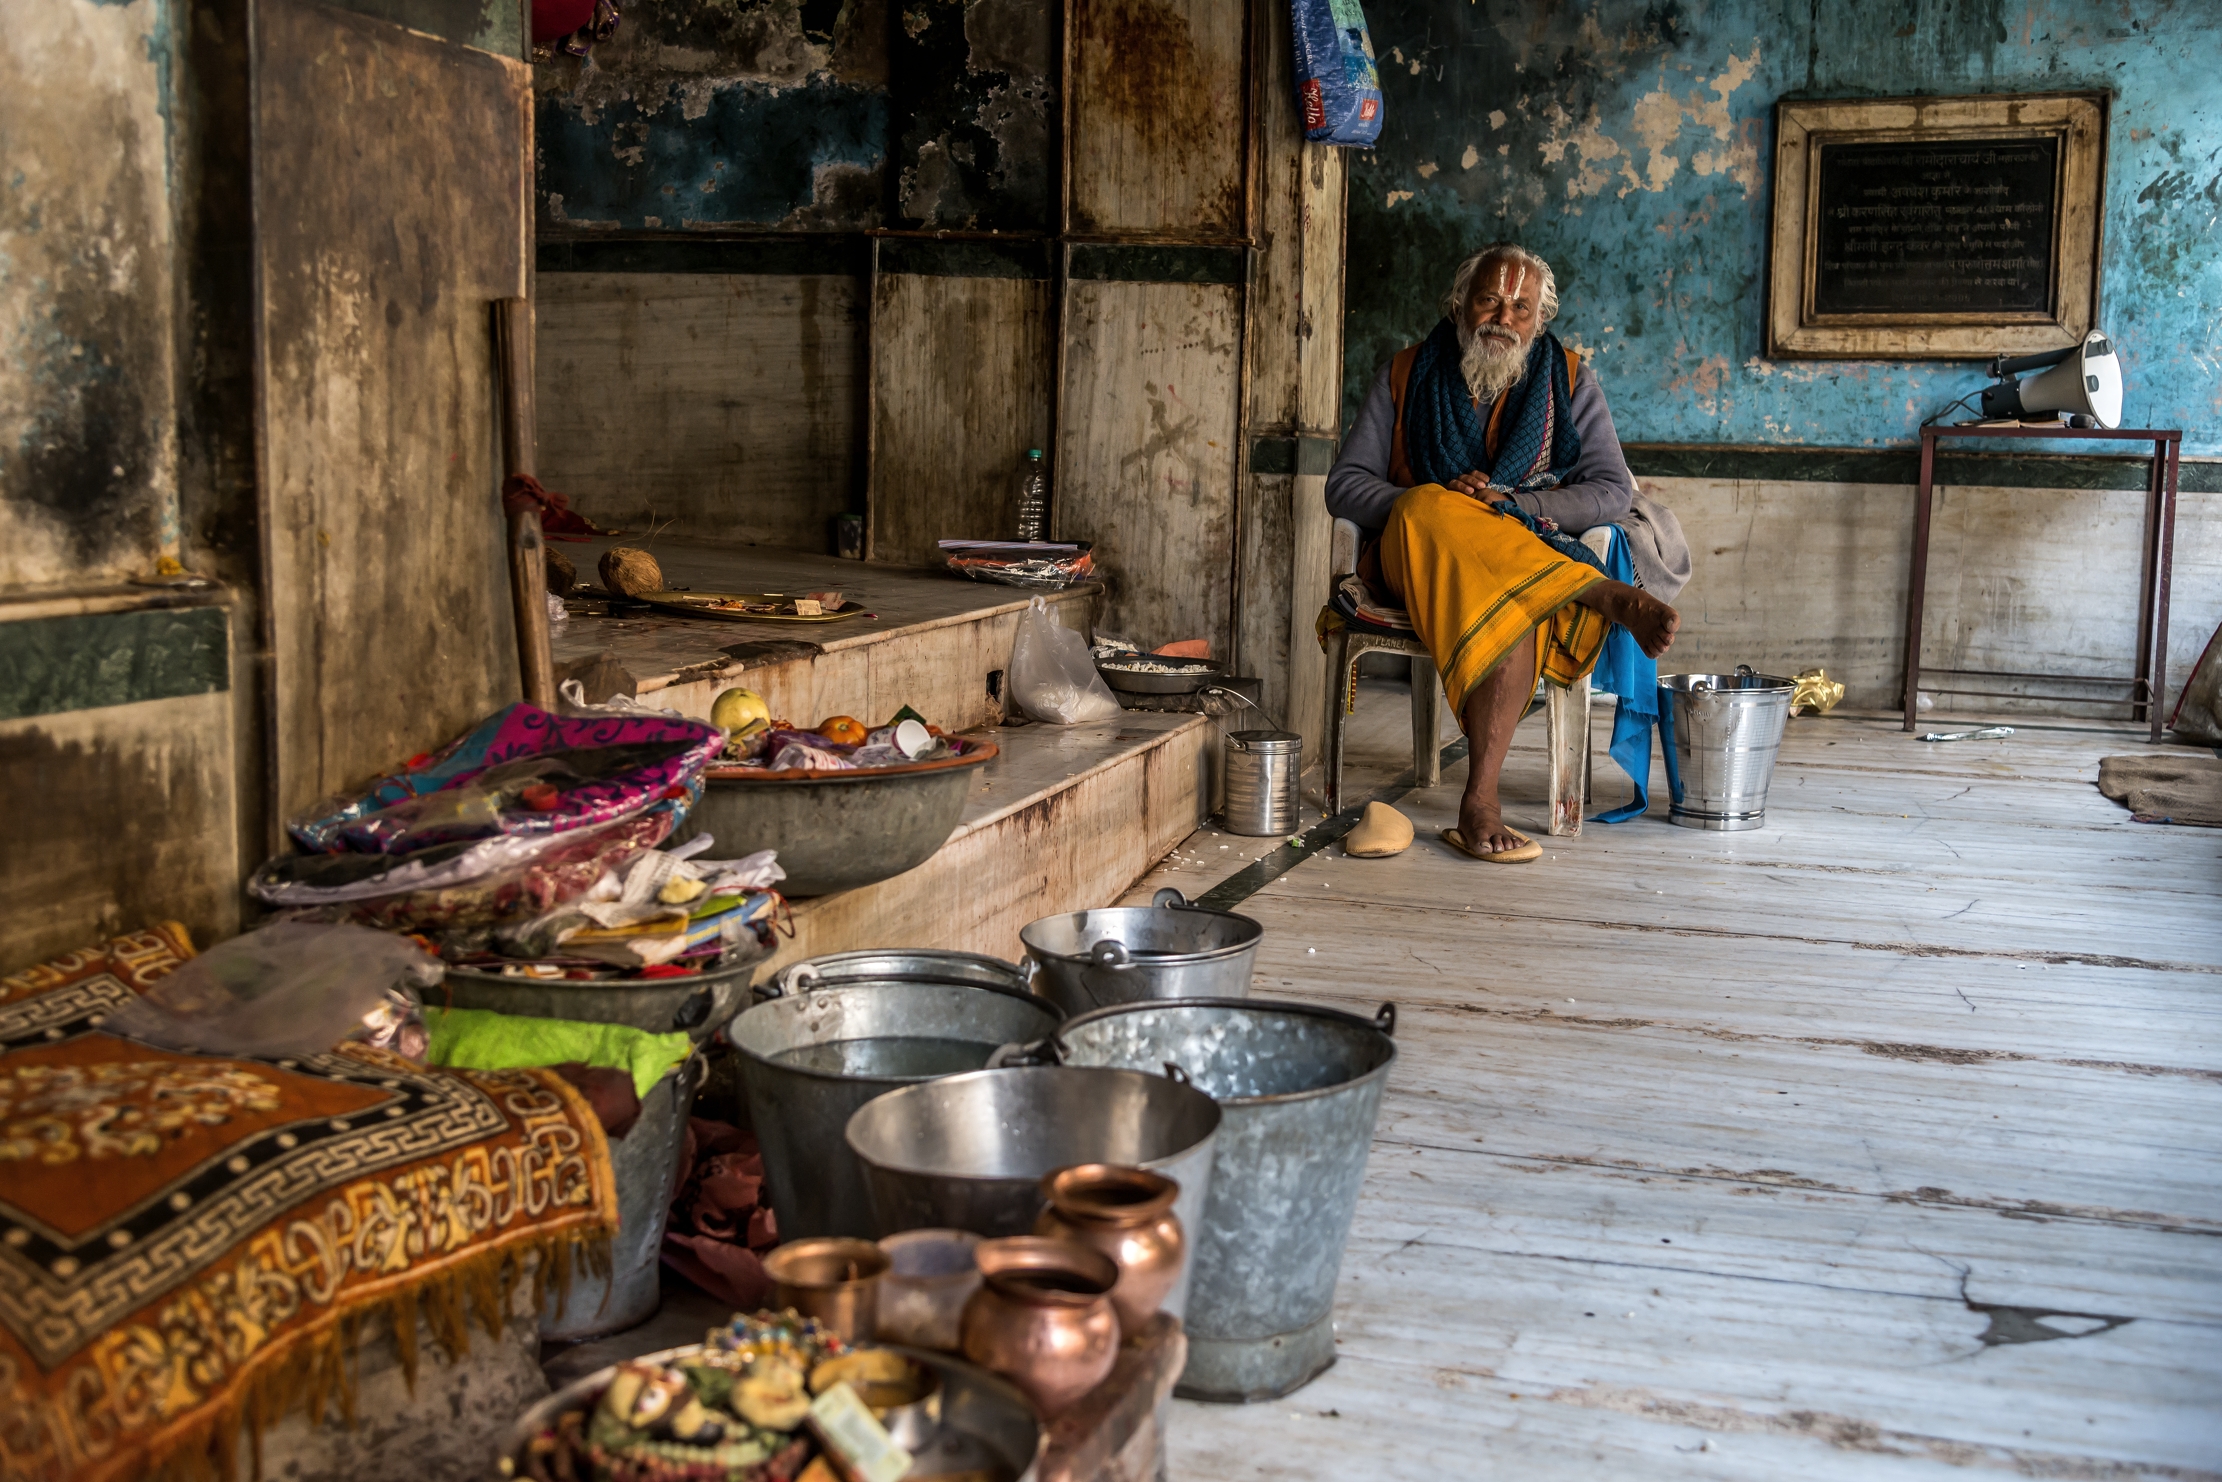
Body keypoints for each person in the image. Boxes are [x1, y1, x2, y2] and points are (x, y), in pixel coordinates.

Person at [1326, 243, 1680, 862]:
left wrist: (1519, 506)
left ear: (1539, 321)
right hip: (1411, 558)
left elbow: (1610, 489)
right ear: (1460, 304)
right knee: (1425, 506)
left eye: (1521, 307)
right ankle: (1590, 589)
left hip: (1518, 559)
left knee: (1513, 599)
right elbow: (1345, 486)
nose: (1503, 317)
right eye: (1490, 298)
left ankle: (1479, 803)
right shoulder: (1404, 372)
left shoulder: (1570, 378)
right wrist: (1440, 500)